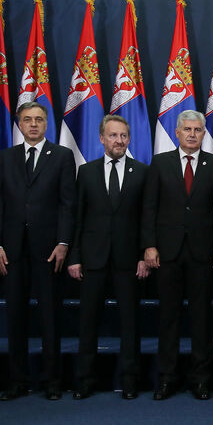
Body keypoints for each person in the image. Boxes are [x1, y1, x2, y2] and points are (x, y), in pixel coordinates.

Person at [0, 101, 76, 401]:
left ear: (46, 123)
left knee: (50, 317)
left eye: (39, 119)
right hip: (11, 251)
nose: (34, 124)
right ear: (19, 124)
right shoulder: (6, 157)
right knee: (16, 317)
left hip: (49, 250)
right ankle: (17, 381)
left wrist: (63, 242)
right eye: (28, 120)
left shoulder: (62, 156)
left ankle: (52, 381)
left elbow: (67, 204)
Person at [142, 110, 213, 401]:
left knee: (202, 319)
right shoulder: (160, 163)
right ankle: (166, 379)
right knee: (168, 318)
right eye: (187, 129)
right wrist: (150, 245)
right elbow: (149, 208)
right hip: (167, 253)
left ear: (204, 133)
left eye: (197, 130)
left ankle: (201, 380)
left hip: (203, 252)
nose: (192, 134)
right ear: (177, 133)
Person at [67, 115, 149, 400]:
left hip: (129, 260)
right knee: (88, 322)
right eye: (113, 135)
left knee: (130, 323)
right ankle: (85, 380)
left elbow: (145, 218)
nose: (119, 141)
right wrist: (75, 256)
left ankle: (129, 380)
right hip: (93, 258)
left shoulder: (142, 171)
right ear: (101, 138)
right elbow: (78, 218)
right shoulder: (86, 172)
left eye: (124, 136)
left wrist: (143, 255)